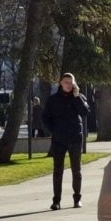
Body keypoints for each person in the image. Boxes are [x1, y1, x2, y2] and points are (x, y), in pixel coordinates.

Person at [42, 73, 90, 210]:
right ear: (61, 83)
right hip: (59, 139)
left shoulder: (79, 98)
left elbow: (85, 112)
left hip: (75, 137)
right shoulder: (53, 100)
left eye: (71, 82)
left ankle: (77, 198)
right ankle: (56, 201)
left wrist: (76, 97)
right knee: (58, 170)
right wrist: (53, 130)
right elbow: (45, 117)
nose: (68, 85)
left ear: (74, 83)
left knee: (76, 170)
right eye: (66, 82)